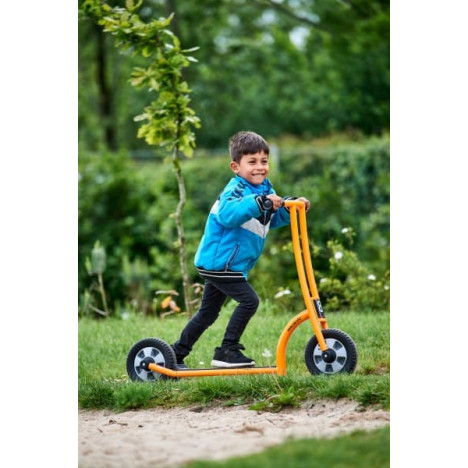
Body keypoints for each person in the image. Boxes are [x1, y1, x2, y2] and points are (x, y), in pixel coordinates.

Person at [172, 131, 310, 369]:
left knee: (207, 314)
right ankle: (227, 350)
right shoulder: (236, 189)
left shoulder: (264, 188)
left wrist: (290, 208)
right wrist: (260, 202)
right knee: (249, 301)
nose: (260, 167)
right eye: (252, 162)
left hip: (229, 264)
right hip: (221, 262)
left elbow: (269, 219)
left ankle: (175, 353)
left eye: (264, 161)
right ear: (236, 167)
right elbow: (228, 214)